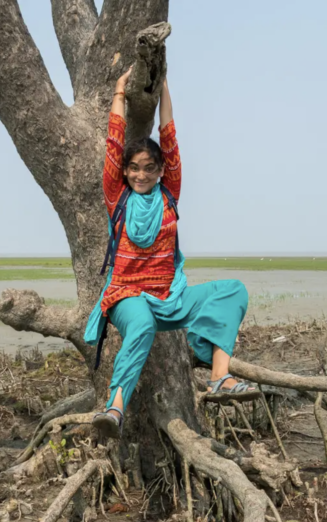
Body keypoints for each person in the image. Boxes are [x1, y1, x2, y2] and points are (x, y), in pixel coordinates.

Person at [84, 67, 260, 439]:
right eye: (134, 169)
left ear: (162, 170)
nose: (141, 175)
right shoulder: (117, 198)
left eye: (149, 168)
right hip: (127, 296)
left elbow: (169, 137)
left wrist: (163, 85)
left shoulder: (170, 194)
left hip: (170, 297)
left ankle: (220, 378)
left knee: (233, 291)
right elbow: (114, 147)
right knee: (143, 324)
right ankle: (114, 407)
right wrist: (119, 93)